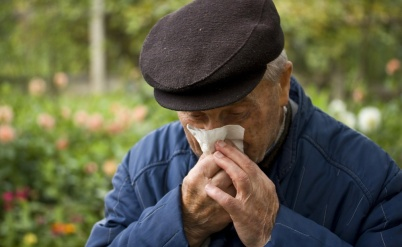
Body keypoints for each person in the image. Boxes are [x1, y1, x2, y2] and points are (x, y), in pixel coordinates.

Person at [86, 0, 402, 246]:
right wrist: (181, 223)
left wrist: (273, 231)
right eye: (196, 118)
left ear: (282, 84)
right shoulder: (145, 167)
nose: (215, 141)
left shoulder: (370, 180)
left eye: (237, 115)